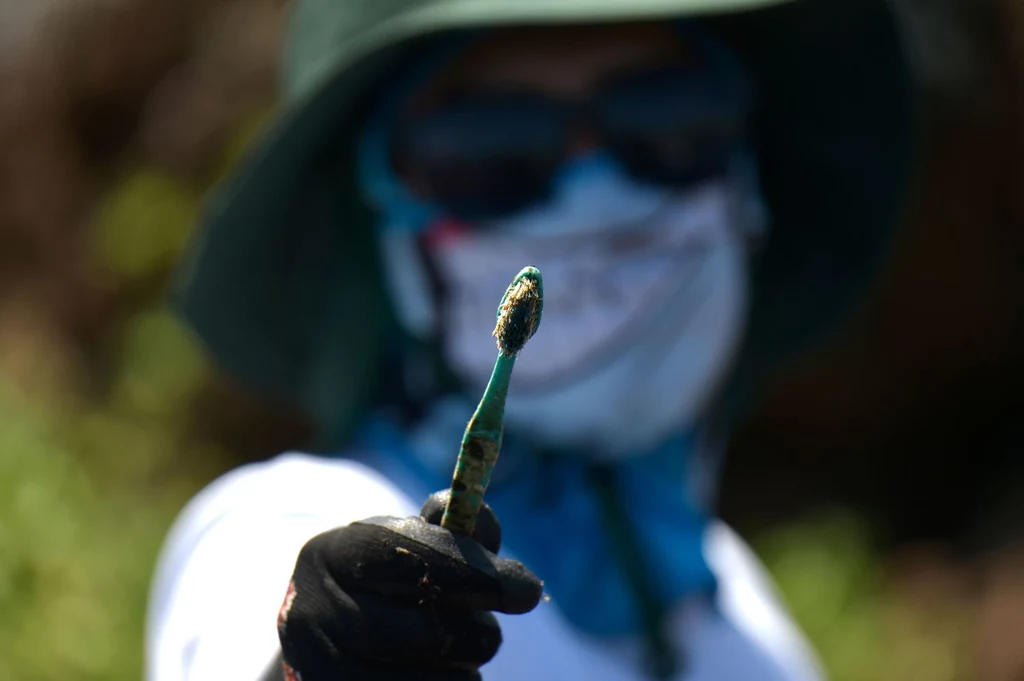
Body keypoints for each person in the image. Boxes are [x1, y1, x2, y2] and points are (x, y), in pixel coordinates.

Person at [145, 0, 915, 680]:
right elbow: (267, 629)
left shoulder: (741, 614)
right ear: (376, 217)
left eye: (671, 118)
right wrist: (318, 658)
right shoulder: (282, 522)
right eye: (491, 144)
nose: (596, 191)